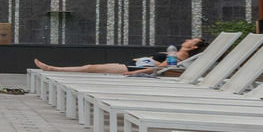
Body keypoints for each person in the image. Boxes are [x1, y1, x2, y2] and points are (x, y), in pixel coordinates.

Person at [33, 35, 206, 77]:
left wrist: (134, 73)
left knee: (90, 68)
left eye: (193, 40)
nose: (188, 40)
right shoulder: (174, 52)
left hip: (133, 68)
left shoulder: (178, 57)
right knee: (92, 67)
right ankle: (53, 68)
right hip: (132, 65)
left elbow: (161, 68)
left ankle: (52, 68)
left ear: (194, 47)